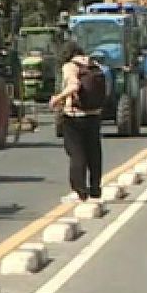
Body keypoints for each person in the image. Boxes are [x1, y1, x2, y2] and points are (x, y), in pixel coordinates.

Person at [49, 42, 102, 203]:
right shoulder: (94, 64)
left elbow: (74, 85)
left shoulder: (70, 66)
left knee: (76, 153)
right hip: (94, 114)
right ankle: (95, 189)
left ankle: (80, 190)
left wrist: (57, 99)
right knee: (94, 152)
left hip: (74, 116)